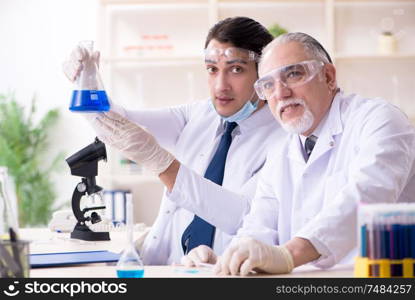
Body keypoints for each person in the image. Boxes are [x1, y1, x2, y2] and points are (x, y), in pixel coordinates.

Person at [184, 32, 415, 275]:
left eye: (293, 74)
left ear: (328, 76)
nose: (280, 93)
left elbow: (366, 197)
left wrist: (288, 255)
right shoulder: (281, 148)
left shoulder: (379, 120)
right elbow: (259, 225)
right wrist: (230, 258)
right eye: (268, 85)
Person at [63, 17, 287, 265]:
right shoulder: (198, 115)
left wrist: (161, 164)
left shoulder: (284, 140)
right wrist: (88, 82)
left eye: (236, 69)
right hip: (166, 267)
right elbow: (116, 123)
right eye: (212, 69)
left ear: (264, 75)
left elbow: (243, 215)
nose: (221, 85)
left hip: (223, 272)